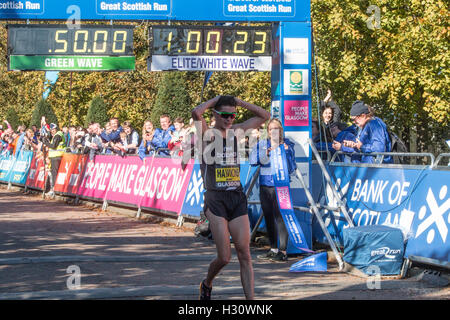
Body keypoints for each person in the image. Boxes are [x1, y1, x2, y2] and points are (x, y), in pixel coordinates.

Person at [192, 95, 270, 300]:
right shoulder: (207, 134)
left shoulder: (236, 131)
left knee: (245, 254)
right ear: (215, 115)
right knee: (225, 257)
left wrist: (239, 102)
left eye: (232, 115)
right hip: (215, 199)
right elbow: (195, 113)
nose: (229, 119)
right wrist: (215, 99)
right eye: (225, 115)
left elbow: (265, 115)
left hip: (236, 197)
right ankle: (207, 283)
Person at [250, 118, 296, 262]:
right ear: (268, 132)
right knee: (269, 217)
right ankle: (273, 248)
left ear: (281, 131)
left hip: (280, 186)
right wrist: (267, 154)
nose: (273, 132)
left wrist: (286, 152)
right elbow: (252, 161)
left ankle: (283, 251)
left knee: (280, 217)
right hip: (265, 185)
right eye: (271, 129)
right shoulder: (262, 144)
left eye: (277, 129)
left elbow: (292, 167)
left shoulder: (287, 144)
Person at [42, 122, 66, 198]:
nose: (52, 131)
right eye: (51, 130)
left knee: (54, 174)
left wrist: (46, 143)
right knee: (52, 173)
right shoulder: (56, 135)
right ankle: (53, 189)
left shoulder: (58, 135)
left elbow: (53, 146)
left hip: (57, 157)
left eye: (53, 129)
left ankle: (54, 189)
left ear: (56, 129)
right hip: (54, 157)